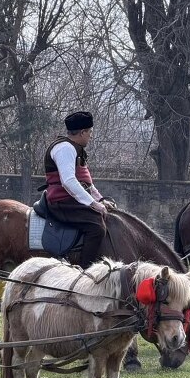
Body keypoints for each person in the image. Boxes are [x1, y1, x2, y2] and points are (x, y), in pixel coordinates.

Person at [42, 111, 110, 267]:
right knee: (97, 227)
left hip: (71, 200)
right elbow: (69, 182)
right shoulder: (65, 148)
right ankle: (85, 271)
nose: (90, 136)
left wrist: (100, 199)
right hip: (62, 202)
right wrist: (93, 204)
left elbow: (86, 182)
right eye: (90, 132)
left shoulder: (75, 148)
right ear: (82, 132)